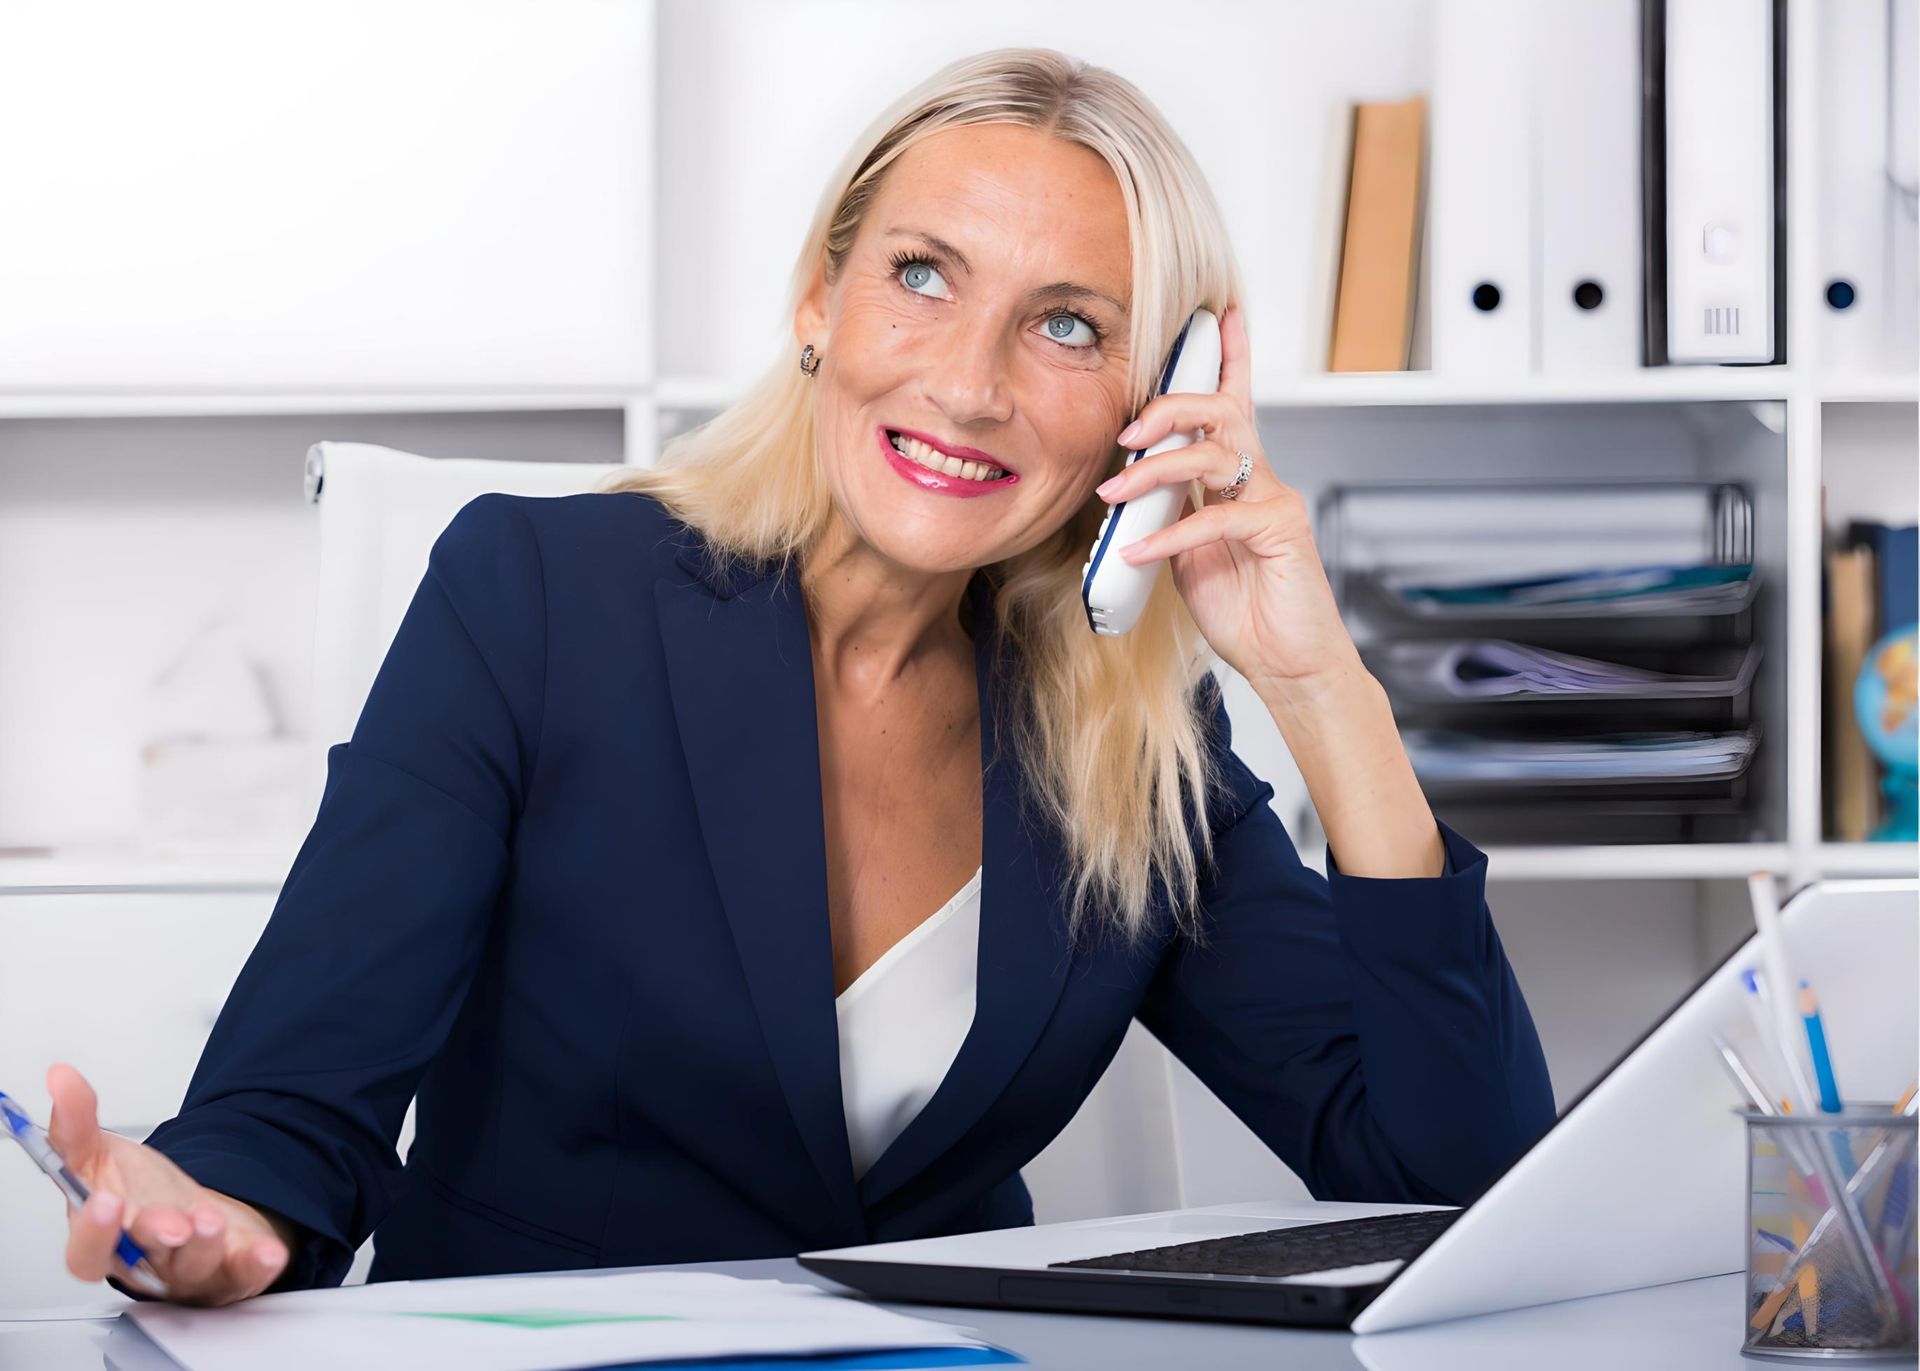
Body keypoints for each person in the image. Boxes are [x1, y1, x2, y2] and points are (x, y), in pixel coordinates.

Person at [50, 47, 1553, 1308]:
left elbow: (1457, 1190)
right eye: (922, 277)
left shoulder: (1131, 745)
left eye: (1069, 325)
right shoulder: (536, 596)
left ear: (1151, 407)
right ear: (818, 300)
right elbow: (294, 1106)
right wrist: (218, 1224)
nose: (970, 383)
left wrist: (1322, 688)